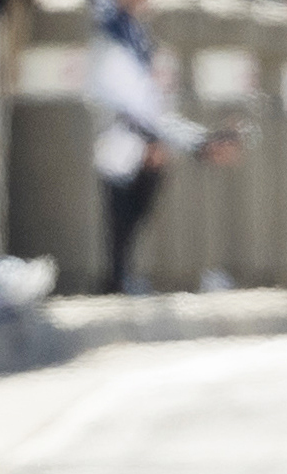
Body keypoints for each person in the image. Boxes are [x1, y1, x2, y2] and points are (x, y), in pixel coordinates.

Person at [86, 0, 239, 294]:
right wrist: (153, 138)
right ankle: (113, 278)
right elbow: (121, 94)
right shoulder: (109, 26)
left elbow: (150, 104)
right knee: (119, 205)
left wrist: (200, 142)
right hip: (113, 132)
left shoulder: (134, 30)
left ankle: (120, 275)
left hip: (139, 131)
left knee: (139, 200)